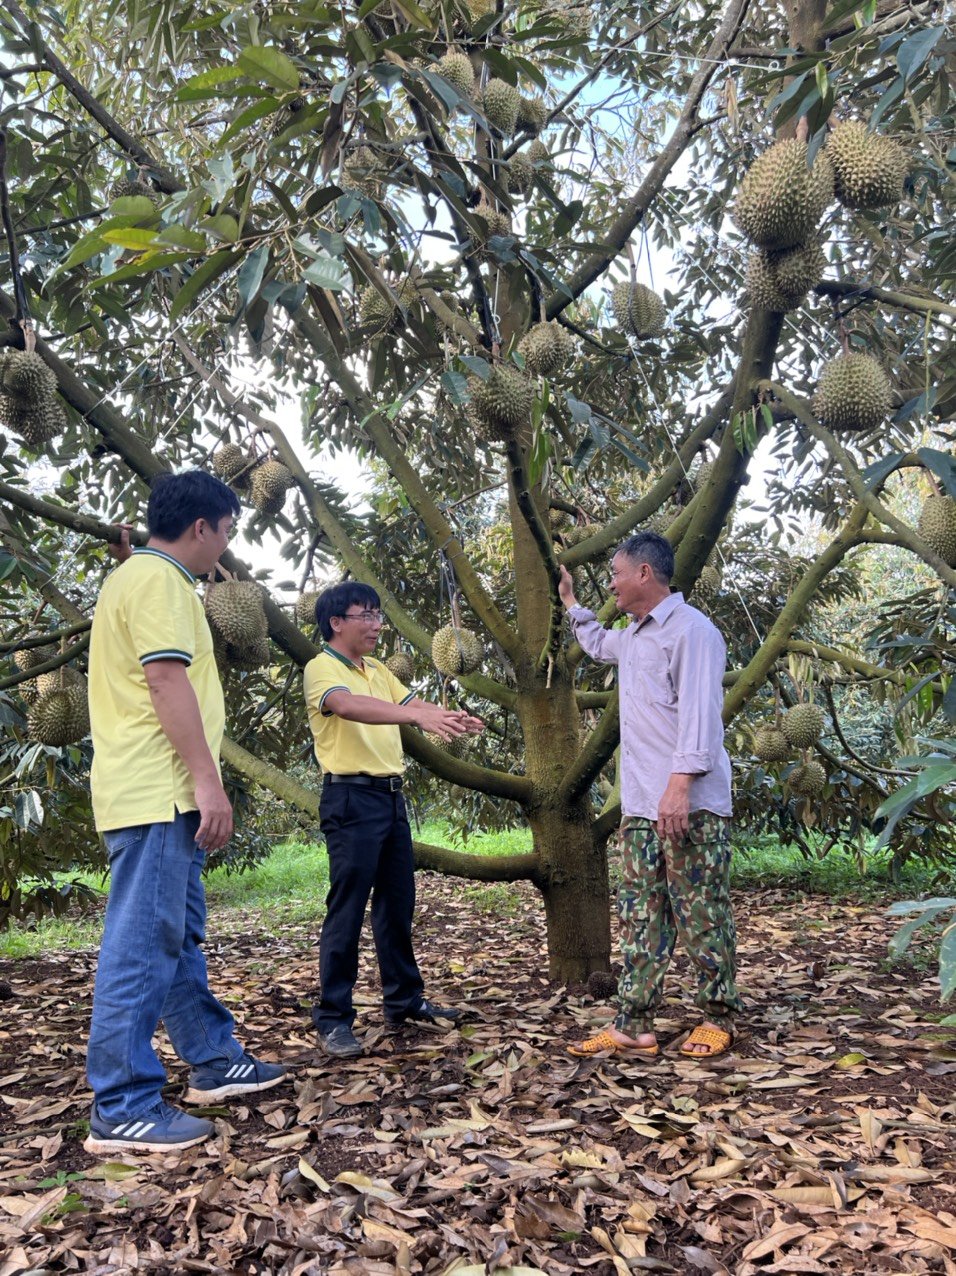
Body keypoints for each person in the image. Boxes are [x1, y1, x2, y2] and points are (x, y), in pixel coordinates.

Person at [84, 471, 287, 1155]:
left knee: (175, 938)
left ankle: (213, 1060)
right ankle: (123, 1104)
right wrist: (209, 781)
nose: (224, 548)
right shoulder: (163, 583)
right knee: (143, 944)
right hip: (159, 789)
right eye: (226, 531)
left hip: (144, 788)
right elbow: (165, 679)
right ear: (202, 526)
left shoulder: (135, 579)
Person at [557, 531, 741, 1060]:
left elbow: (702, 718)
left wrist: (679, 787)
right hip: (639, 806)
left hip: (689, 801)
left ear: (643, 573)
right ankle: (634, 1022)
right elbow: (595, 643)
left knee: (700, 909)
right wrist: (571, 601)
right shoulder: (634, 636)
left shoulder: (692, 632)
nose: (610, 584)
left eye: (615, 573)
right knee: (641, 913)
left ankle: (718, 1015)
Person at [303, 581, 484, 1059]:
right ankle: (334, 1018)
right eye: (365, 615)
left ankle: (403, 1000)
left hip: (389, 799)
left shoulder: (378, 669)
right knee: (347, 908)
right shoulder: (322, 668)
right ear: (336, 622)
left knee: (397, 903)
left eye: (379, 615)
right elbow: (346, 705)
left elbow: (408, 705)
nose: (376, 624)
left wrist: (447, 716)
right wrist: (418, 721)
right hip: (350, 800)